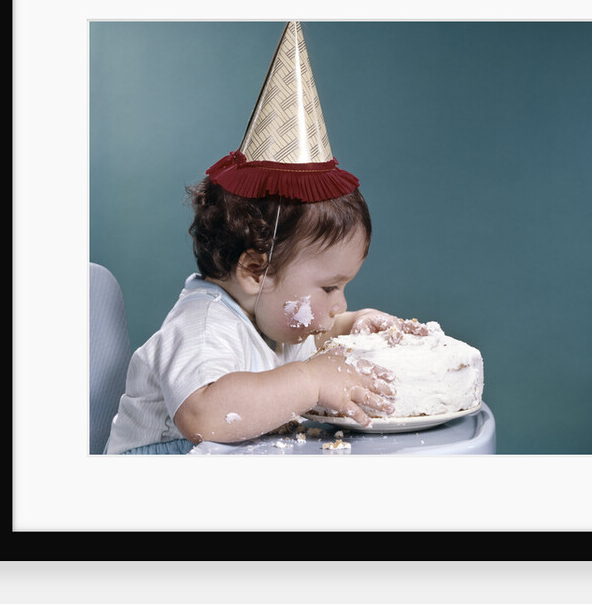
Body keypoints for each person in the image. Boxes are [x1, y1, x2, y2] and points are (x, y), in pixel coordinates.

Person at [105, 22, 425, 454]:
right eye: (330, 288)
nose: (338, 304)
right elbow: (204, 415)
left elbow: (310, 336)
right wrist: (313, 381)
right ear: (256, 270)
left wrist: (353, 325)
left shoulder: (273, 316)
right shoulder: (203, 327)